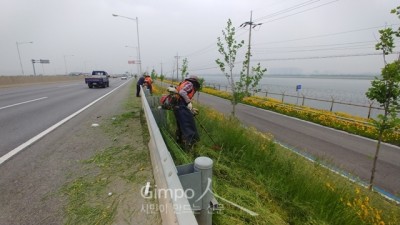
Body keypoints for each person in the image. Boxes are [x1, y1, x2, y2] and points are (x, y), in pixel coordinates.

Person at [172, 75, 201, 149]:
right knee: (189, 127)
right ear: (195, 81)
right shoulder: (190, 84)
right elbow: (182, 92)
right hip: (181, 107)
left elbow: (181, 95)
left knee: (181, 127)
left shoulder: (183, 83)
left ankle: (179, 144)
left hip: (177, 107)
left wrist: (191, 109)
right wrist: (188, 102)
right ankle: (190, 149)